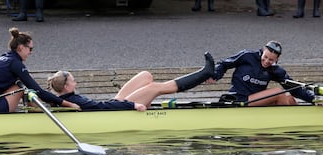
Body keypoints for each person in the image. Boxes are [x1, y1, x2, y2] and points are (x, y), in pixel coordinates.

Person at [47, 52, 215, 111]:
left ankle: (145, 101)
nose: (76, 83)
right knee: (155, 87)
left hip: (113, 105)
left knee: (145, 75)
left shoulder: (66, 98)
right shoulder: (74, 100)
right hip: (115, 111)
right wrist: (133, 105)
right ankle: (203, 74)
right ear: (67, 85)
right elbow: (102, 108)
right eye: (74, 81)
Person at [0, 27, 79, 114]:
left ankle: (36, 113)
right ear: (21, 47)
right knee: (22, 87)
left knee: (21, 85)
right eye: (30, 49)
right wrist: (69, 104)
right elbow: (39, 91)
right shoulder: (15, 64)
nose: (31, 52)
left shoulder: (3, 58)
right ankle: (37, 120)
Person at [208, 40, 315, 106]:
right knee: (278, 92)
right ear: (263, 50)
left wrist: (313, 100)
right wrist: (215, 76)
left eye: (271, 60)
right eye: (265, 57)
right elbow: (224, 64)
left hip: (255, 100)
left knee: (289, 98)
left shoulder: (276, 70)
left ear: (277, 59)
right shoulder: (247, 56)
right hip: (239, 98)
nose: (267, 61)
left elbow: (294, 89)